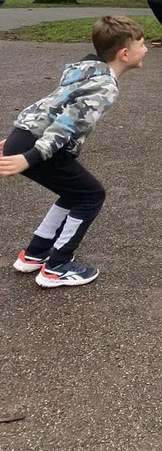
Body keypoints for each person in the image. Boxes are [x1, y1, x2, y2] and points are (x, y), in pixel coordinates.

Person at [0, 15, 147, 288]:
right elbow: (63, 127)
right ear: (124, 54)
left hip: (26, 138)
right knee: (91, 195)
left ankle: (35, 253)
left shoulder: (87, 71)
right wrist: (26, 157)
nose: (146, 49)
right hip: (39, 145)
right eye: (142, 44)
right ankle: (56, 267)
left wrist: (15, 141)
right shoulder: (104, 87)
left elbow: (48, 105)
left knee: (75, 191)